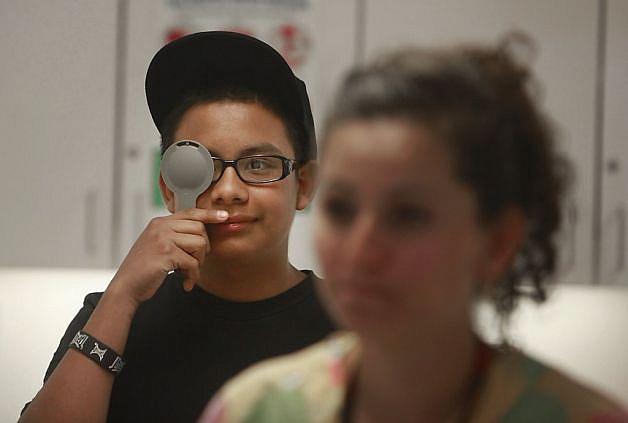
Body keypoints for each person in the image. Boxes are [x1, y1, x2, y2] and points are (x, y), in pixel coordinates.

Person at [199, 35, 628, 422]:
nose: (359, 251)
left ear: (497, 242)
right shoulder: (258, 409)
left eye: (408, 216)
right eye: (341, 209)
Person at [20, 31, 335, 422]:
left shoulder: (355, 324)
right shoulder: (113, 317)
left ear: (303, 185)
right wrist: (120, 296)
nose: (229, 190)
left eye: (258, 165)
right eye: (203, 167)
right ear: (169, 189)